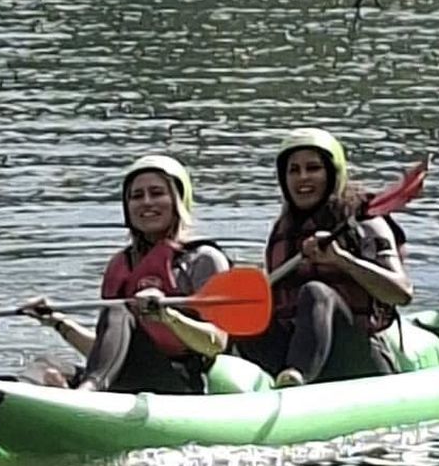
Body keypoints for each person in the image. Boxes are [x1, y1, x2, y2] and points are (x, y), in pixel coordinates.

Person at [21, 155, 231, 394]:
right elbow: (105, 353)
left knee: (119, 309)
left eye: (157, 193)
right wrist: (56, 321)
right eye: (137, 196)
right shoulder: (120, 264)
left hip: (182, 379)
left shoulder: (204, 259)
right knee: (46, 367)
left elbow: (216, 344)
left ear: (178, 200)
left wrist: (167, 315)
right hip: (124, 378)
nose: (147, 202)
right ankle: (3, 394)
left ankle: (87, 393)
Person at [242, 128, 413, 388]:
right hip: (292, 350)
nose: (303, 178)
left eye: (313, 168)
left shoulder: (366, 223)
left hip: (357, 358)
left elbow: (401, 293)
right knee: (241, 314)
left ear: (332, 174)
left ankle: (296, 380)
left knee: (316, 293)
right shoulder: (282, 231)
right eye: (294, 170)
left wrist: (342, 259)